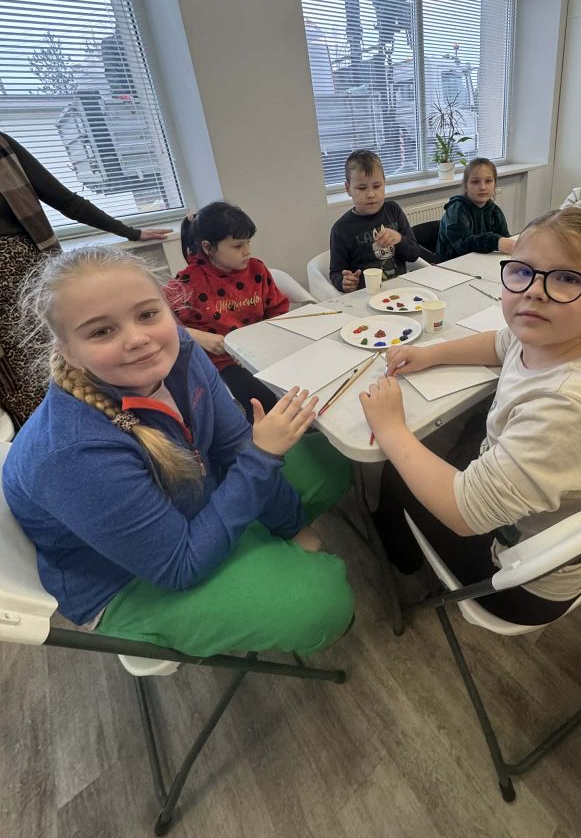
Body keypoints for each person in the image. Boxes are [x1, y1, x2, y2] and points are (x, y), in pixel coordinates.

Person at [2, 247, 354, 659]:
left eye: (148, 314)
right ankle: (254, 566)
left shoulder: (179, 346)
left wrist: (290, 526)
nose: (138, 339)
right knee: (322, 603)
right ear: (68, 351)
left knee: (331, 459)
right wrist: (261, 461)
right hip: (125, 578)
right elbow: (178, 566)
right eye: (101, 332)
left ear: (169, 308)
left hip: (190, 497)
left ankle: (260, 551)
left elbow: (232, 445)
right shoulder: (71, 454)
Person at [361, 208, 581, 624]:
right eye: (523, 271)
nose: (535, 291)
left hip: (521, 583)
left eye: (567, 278)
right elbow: (501, 342)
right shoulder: (552, 340)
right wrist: (429, 354)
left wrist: (390, 428)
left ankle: (402, 565)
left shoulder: (569, 406)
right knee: (472, 425)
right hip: (557, 540)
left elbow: (463, 514)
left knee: (394, 472)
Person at [0, 130, 171, 427]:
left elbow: (66, 200)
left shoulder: (2, 146)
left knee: (70, 361)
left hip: (28, 276)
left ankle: (119, 428)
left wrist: (131, 232)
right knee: (16, 382)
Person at [169, 201, 289, 420]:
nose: (247, 251)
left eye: (248, 242)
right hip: (223, 362)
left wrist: (264, 342)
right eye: (237, 246)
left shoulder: (256, 269)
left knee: (297, 383)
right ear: (208, 248)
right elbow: (163, 327)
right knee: (263, 402)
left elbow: (277, 309)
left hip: (262, 349)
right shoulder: (188, 282)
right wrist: (196, 335)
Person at [330, 149, 420, 293]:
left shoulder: (393, 210)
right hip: (366, 295)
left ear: (385, 183)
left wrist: (399, 239)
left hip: (400, 290)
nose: (371, 194)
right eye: (361, 188)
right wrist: (344, 281)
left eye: (377, 186)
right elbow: (335, 272)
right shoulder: (341, 229)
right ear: (348, 189)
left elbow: (414, 254)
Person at [436, 157, 515, 261]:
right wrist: (495, 242)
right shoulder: (457, 210)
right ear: (466, 185)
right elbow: (463, 244)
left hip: (483, 262)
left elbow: (505, 238)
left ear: (495, 184)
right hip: (452, 265)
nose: (482, 187)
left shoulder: (495, 211)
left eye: (488, 181)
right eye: (475, 182)